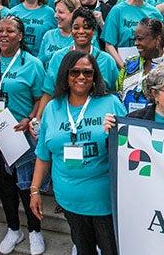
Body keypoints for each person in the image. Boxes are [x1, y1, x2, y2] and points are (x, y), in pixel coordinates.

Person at [30, 52, 127, 255]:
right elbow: (43, 154)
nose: (81, 77)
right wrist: (35, 190)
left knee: (112, 250)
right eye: (75, 72)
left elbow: (129, 146)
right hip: (69, 199)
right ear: (65, 74)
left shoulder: (111, 103)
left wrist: (117, 133)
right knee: (84, 249)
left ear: (95, 76)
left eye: (87, 73)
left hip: (104, 201)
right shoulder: (52, 108)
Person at [0, 16, 48, 255]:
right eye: (0, 31)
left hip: (21, 135)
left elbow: (41, 98)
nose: (3, 35)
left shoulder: (32, 64)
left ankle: (35, 231)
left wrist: (29, 118)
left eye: (9, 31)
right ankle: (13, 228)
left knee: (25, 186)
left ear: (20, 35)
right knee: (5, 185)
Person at [118, 18, 164, 114]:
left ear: (157, 40)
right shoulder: (129, 63)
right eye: (135, 39)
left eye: (140, 39)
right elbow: (119, 93)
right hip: (128, 124)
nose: (136, 43)